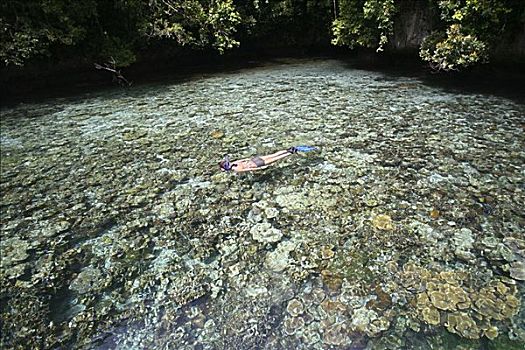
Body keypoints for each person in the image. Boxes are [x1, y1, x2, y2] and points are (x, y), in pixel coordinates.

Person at [219, 146, 317, 173]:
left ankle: (290, 152)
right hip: (255, 159)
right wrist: (251, 159)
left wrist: (261, 169)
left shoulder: (236, 169)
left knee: (276, 158)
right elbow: (245, 159)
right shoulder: (234, 162)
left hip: (257, 164)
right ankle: (288, 149)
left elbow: (249, 169)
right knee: (273, 154)